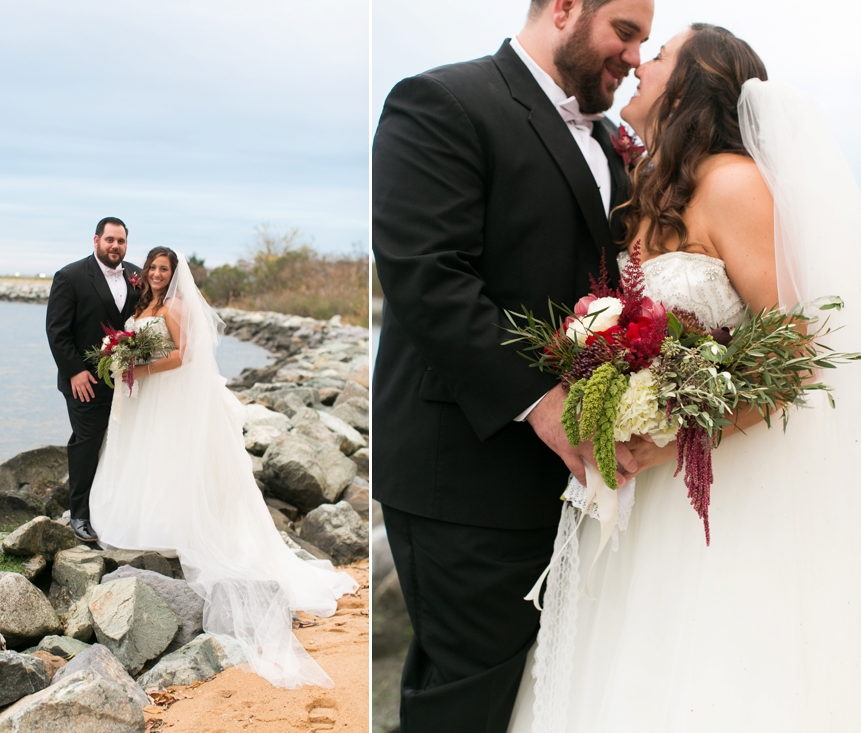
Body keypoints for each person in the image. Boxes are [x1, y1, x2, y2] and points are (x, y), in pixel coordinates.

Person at [509, 24, 861, 732]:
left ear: (694, 81)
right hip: (644, 490)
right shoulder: (652, 196)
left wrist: (675, 432)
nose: (641, 62)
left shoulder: (732, 183)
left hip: (717, 487)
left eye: (660, 52)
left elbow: (792, 353)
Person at [372, 0, 653, 729]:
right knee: (468, 689)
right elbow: (427, 277)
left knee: (546, 679)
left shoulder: (618, 142)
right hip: (465, 467)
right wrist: (545, 403)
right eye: (624, 31)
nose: (634, 56)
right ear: (562, 8)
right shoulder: (440, 102)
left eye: (645, 41)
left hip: (573, 475)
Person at [88, 246, 358, 690]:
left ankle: (170, 526)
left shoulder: (174, 305)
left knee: (167, 458)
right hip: (145, 398)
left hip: (164, 392)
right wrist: (122, 354)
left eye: (163, 269)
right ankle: (141, 520)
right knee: (146, 457)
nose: (156, 274)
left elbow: (184, 355)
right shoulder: (145, 305)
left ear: (174, 274)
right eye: (152, 268)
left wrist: (137, 362)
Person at [46, 217, 142, 542]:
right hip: (84, 379)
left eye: (121, 241)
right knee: (87, 441)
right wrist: (74, 370)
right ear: (96, 240)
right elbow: (57, 332)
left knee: (120, 442)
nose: (115, 246)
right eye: (110, 240)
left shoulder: (135, 275)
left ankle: (112, 508)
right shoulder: (70, 276)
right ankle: (80, 515)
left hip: (126, 378)